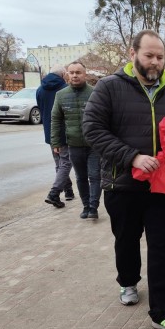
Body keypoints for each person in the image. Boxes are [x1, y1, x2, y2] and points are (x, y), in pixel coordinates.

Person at [83, 29, 165, 329]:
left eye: (160, 57)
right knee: (127, 239)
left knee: (162, 247)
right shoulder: (109, 87)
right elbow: (93, 129)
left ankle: (164, 312)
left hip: (163, 188)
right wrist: (132, 157)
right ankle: (128, 280)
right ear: (133, 54)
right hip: (123, 184)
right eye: (149, 55)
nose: (155, 62)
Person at [51, 61, 100, 219]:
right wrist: (56, 142)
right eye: (71, 72)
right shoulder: (61, 95)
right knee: (80, 177)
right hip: (73, 144)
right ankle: (85, 206)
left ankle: (93, 207)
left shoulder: (95, 93)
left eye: (78, 72)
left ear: (85, 74)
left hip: (94, 144)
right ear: (67, 75)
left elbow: (104, 116)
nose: (74, 75)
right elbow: (56, 119)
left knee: (95, 176)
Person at [37, 64, 73, 208]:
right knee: (66, 163)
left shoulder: (40, 89)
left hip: (49, 131)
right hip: (65, 131)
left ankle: (68, 191)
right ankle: (54, 193)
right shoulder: (66, 89)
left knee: (59, 163)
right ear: (63, 74)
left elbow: (41, 110)